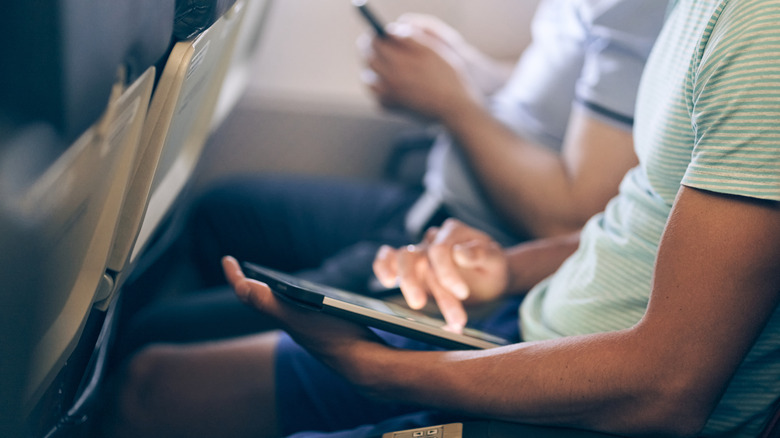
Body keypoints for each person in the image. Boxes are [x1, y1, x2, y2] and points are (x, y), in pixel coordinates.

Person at [105, 0, 780, 437]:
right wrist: (506, 269)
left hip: (595, 406)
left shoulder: (763, 36)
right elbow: (647, 217)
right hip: (530, 324)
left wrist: (380, 369)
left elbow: (667, 387)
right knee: (150, 388)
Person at [116, 0, 665, 348]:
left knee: (150, 339)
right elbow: (557, 99)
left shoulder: (642, 10)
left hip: (470, 243)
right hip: (427, 201)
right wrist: (462, 67)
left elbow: (569, 214)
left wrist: (454, 104)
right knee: (219, 211)